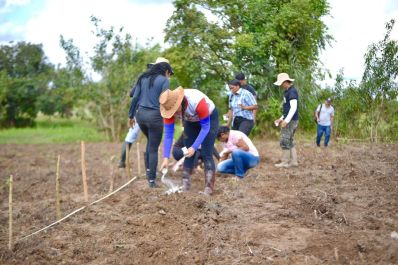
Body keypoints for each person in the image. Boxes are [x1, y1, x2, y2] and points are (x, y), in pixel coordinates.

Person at [159, 87, 219, 196]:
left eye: (174, 111)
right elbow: (168, 134)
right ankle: (185, 184)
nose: (173, 114)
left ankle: (208, 188)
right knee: (187, 152)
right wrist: (165, 158)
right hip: (190, 121)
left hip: (209, 118)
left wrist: (195, 146)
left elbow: (205, 127)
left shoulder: (197, 101)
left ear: (180, 103)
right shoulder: (168, 108)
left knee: (206, 153)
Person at [128, 57, 174, 188]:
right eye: (169, 72)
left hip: (140, 116)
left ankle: (149, 172)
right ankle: (152, 181)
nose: (168, 75)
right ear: (165, 70)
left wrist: (131, 115)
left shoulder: (143, 78)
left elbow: (135, 97)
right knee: (153, 147)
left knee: (150, 142)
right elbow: (164, 100)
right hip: (154, 117)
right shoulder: (164, 80)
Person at [273, 73, 299, 168]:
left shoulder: (292, 92)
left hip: (291, 120)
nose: (280, 85)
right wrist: (281, 119)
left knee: (284, 140)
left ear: (285, 82)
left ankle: (285, 162)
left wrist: (286, 121)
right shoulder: (287, 92)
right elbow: (287, 110)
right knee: (290, 140)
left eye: (281, 83)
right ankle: (294, 161)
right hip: (290, 119)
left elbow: (293, 108)